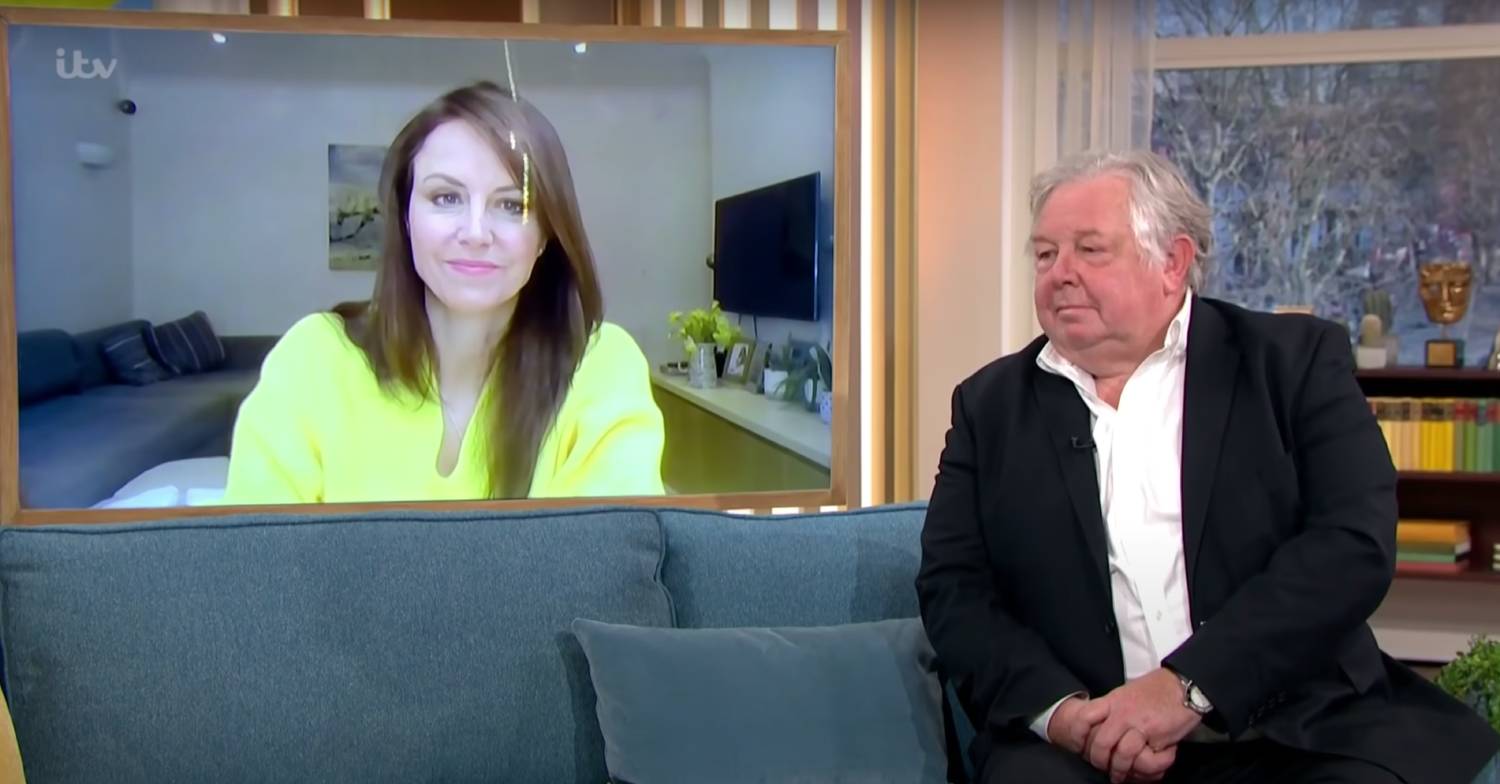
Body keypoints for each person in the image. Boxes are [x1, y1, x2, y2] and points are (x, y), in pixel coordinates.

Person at [915, 149, 1499, 784]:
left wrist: (1187, 687)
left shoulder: (1291, 364)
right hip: (1084, 744)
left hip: (1292, 728)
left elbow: (1351, 545)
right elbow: (955, 587)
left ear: (1173, 262)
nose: (1060, 274)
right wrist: (1060, 713)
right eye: (1046, 254)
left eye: (1090, 250)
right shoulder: (990, 407)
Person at [221, 81, 665, 504]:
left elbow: (613, 553)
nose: (475, 233)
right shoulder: (315, 358)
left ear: (545, 235)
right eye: (446, 198)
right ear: (405, 217)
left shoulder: (600, 367)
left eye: (512, 205)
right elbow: (256, 551)